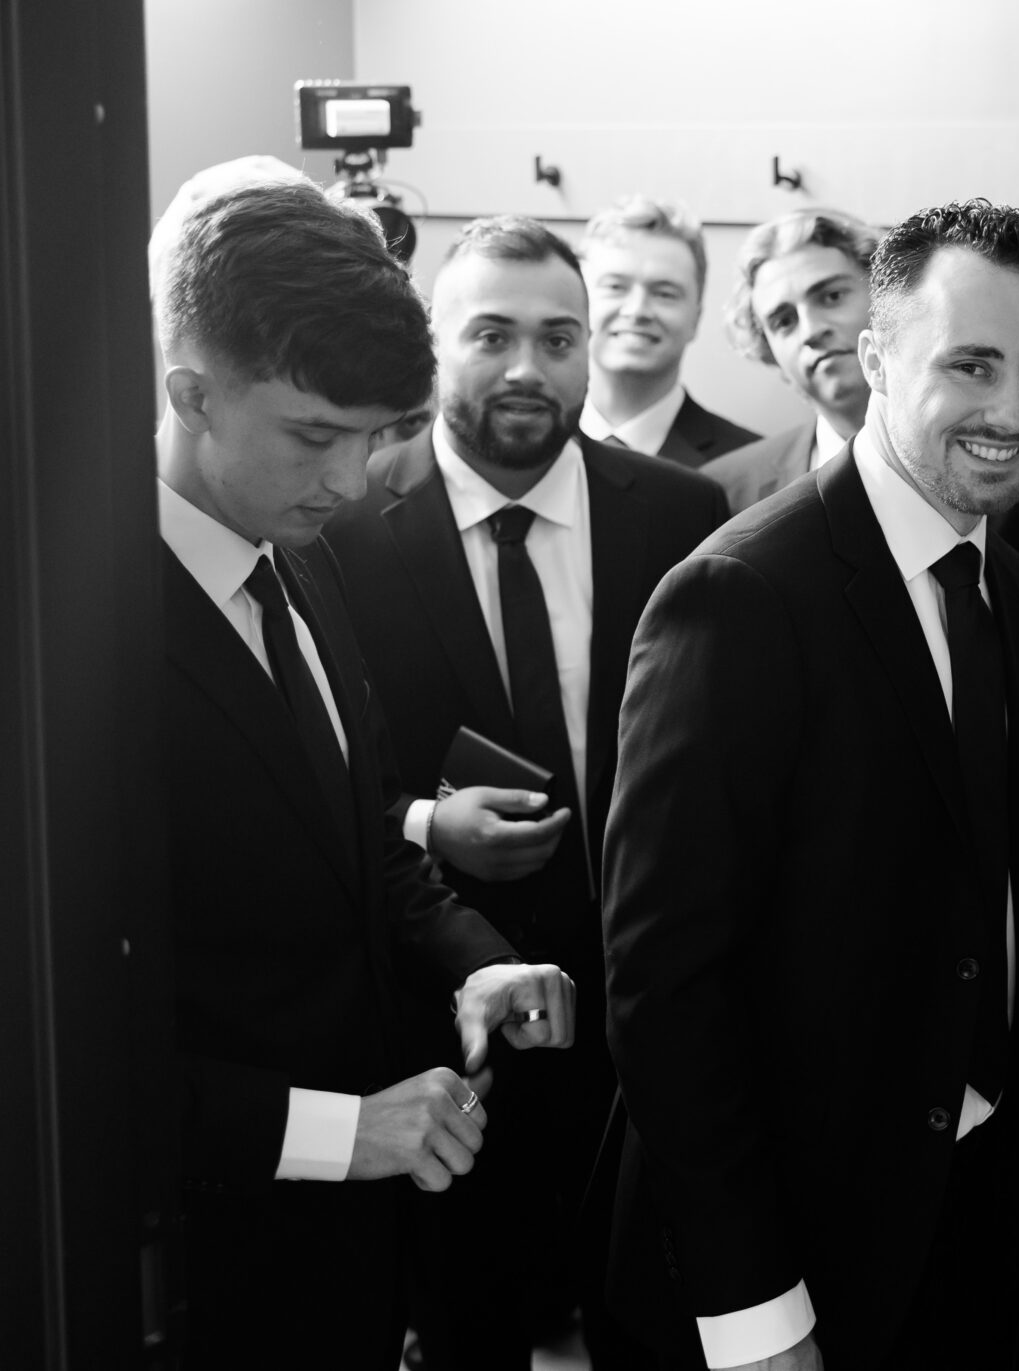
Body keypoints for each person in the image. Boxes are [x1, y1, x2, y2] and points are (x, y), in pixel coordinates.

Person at [601, 201, 1019, 1370]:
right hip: (786, 1240)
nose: (1013, 411)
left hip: (967, 1201)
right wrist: (754, 1308)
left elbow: (981, 877)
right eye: (970, 365)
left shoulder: (1009, 581)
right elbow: (665, 986)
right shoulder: (739, 596)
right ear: (874, 358)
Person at [150, 178, 577, 1367]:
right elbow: (76, 1044)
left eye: (378, 435)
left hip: (356, 1254)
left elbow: (365, 843)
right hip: (195, 1267)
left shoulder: (305, 556)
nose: (349, 480)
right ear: (191, 394)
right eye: (314, 436)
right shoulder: (79, 637)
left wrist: (477, 963)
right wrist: (338, 1133)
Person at [326, 217, 730, 1370]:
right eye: (491, 335)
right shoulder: (341, 528)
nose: (526, 368)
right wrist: (425, 825)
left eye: (558, 339)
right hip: (446, 1015)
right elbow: (323, 784)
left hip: (641, 998)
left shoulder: (681, 514)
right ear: (434, 345)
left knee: (652, 1315)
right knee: (474, 1325)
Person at [698, 209, 878, 513]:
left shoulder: (964, 452)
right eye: (784, 321)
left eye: (832, 296)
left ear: (887, 297)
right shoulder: (726, 493)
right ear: (770, 354)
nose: (811, 331)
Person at [576, 195, 761, 467]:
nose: (637, 310)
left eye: (664, 293)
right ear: (577, 301)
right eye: (615, 287)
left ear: (696, 318)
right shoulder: (526, 446)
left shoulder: (753, 468)